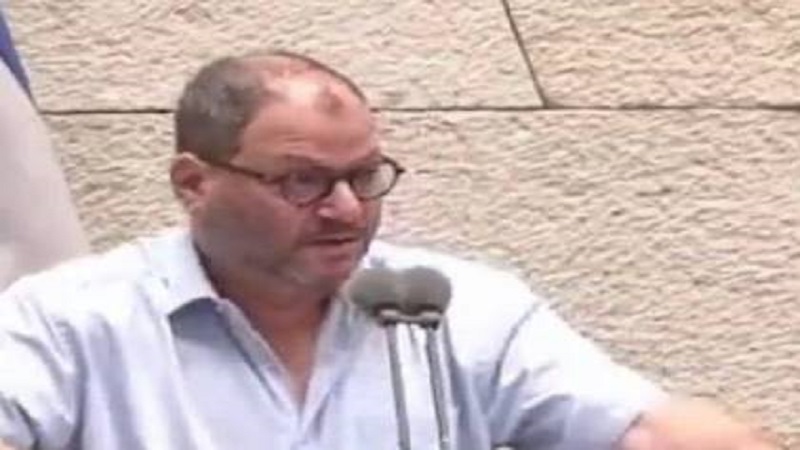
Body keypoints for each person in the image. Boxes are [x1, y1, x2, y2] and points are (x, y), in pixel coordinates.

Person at [0, 50, 778, 450]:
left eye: (364, 176)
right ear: (193, 183)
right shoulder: (70, 318)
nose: (347, 209)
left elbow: (645, 430)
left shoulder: (446, 307)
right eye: (302, 181)